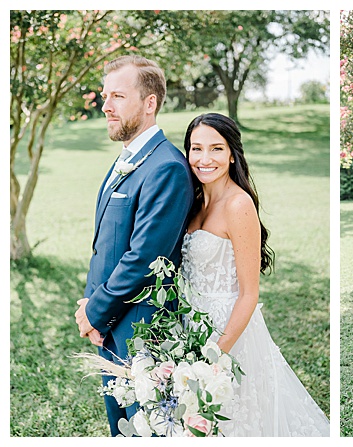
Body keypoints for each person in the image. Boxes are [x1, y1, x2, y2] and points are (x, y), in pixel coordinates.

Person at [180, 112, 330, 436]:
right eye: (196, 148)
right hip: (188, 325)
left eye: (216, 149)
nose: (205, 158)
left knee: (232, 422)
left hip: (229, 332)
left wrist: (215, 356)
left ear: (232, 153)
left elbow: (249, 294)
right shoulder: (191, 201)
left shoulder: (238, 205)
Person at [74, 55, 195, 436]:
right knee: (121, 428)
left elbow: (145, 258)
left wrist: (95, 311)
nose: (106, 106)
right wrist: (92, 306)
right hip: (110, 322)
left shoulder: (167, 167)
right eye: (106, 95)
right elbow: (107, 245)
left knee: (147, 429)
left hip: (141, 330)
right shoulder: (127, 158)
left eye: (118, 96)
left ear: (149, 103)